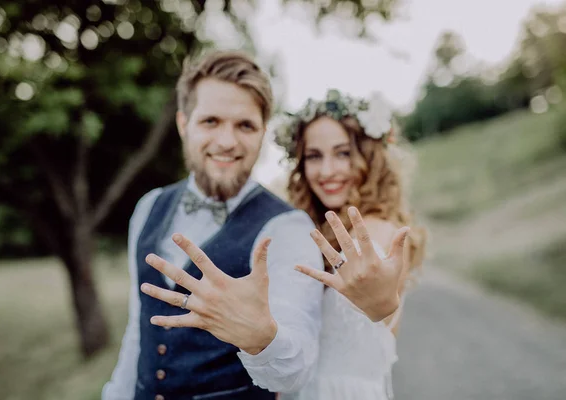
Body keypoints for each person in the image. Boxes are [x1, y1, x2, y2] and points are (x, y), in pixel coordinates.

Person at [115, 50, 410, 400]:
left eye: (244, 125)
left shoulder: (290, 229)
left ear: (263, 134)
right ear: (183, 124)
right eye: (211, 121)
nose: (227, 141)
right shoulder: (148, 207)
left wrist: (261, 337)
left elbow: (301, 363)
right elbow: (136, 333)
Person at [275, 89, 427, 400]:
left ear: (369, 158)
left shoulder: (380, 233)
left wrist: (381, 303)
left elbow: (382, 310)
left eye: (343, 153)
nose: (327, 171)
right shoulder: (315, 231)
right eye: (314, 156)